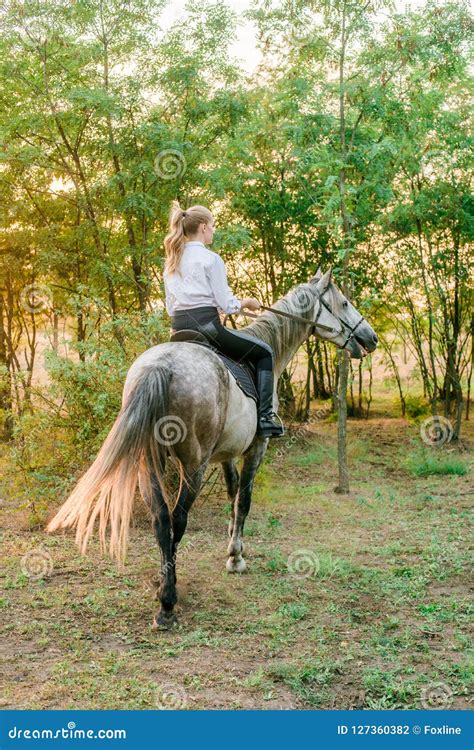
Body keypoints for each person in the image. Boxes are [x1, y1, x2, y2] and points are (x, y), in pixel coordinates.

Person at [162, 202, 284, 438]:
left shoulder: (171, 261)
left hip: (178, 329)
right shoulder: (211, 259)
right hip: (208, 329)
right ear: (204, 227)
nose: (214, 231)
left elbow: (170, 308)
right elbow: (227, 305)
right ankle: (265, 418)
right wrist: (247, 302)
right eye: (214, 226)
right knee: (264, 353)